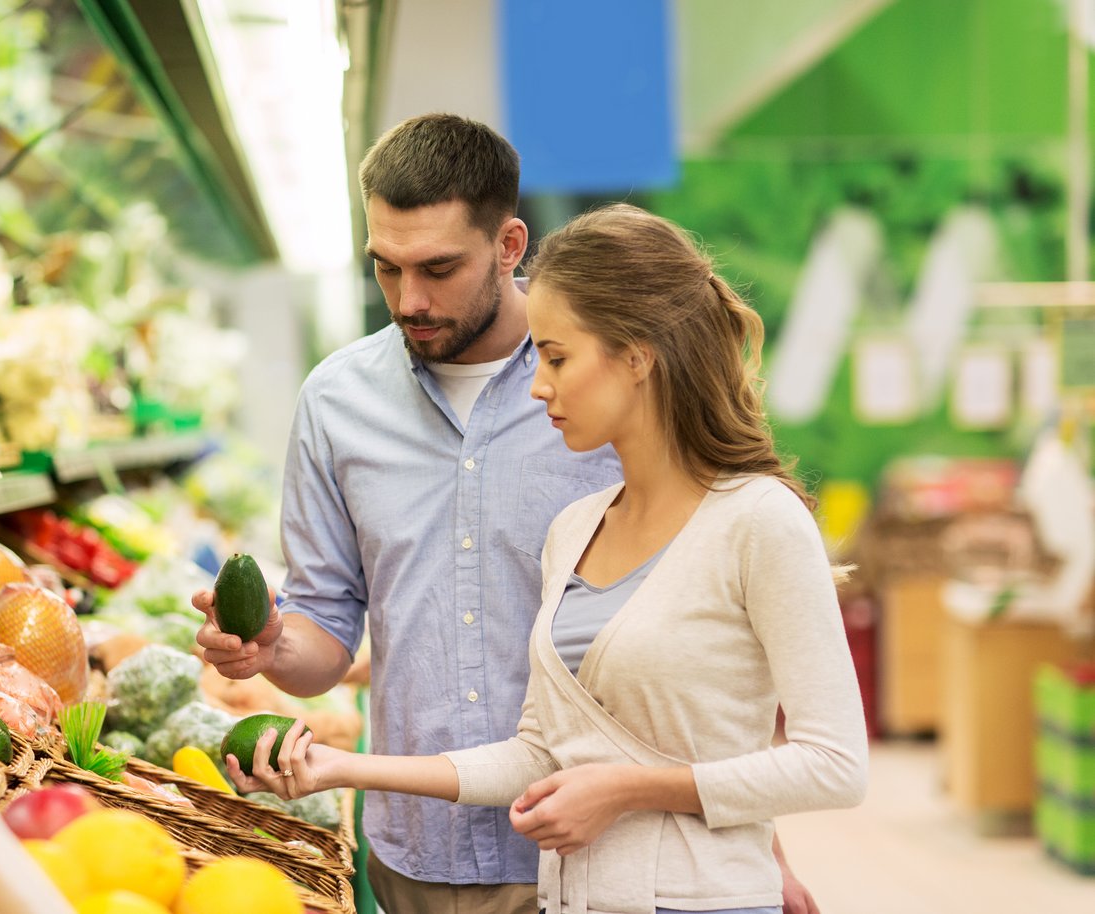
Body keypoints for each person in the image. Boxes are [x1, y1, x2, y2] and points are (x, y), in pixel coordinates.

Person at [195, 117, 827, 914]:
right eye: (385, 269)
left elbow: (706, 664)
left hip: (598, 857)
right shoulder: (335, 401)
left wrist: (761, 848)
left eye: (438, 267)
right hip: (414, 847)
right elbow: (326, 628)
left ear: (509, 244)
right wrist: (264, 648)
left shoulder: (603, 392)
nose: (409, 300)